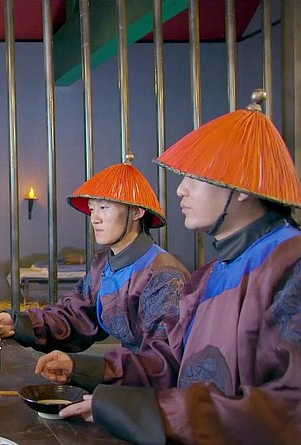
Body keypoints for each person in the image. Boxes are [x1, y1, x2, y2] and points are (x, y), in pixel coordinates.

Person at [37, 92, 301, 444]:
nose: (180, 190)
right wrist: (87, 373)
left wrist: (143, 412)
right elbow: (169, 363)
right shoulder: (209, 276)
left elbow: (287, 410)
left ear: (242, 185)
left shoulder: (290, 265)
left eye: (195, 177)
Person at [0, 160, 188, 353]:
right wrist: (19, 323)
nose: (94, 218)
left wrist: (84, 367)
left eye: (104, 208)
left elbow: (163, 358)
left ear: (137, 212)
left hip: (154, 369)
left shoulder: (164, 276)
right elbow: (75, 315)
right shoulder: (103, 265)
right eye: (92, 209)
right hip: (129, 366)